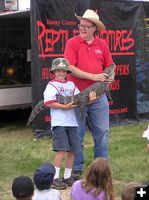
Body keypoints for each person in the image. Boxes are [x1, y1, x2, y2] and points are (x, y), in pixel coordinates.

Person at [64, 9, 115, 179]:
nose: (82, 29)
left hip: (98, 98)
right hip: (78, 96)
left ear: (95, 28)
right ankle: (77, 168)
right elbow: (70, 67)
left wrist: (109, 79)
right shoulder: (72, 43)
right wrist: (93, 77)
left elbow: (110, 66)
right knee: (76, 133)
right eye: (81, 26)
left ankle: (101, 169)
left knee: (102, 133)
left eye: (86, 26)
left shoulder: (102, 45)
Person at [43, 58, 82, 190]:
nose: (61, 73)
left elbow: (79, 98)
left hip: (72, 122)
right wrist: (64, 107)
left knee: (73, 150)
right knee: (61, 149)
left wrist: (87, 99)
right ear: (53, 72)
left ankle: (67, 176)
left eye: (63, 71)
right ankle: (55, 178)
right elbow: (48, 102)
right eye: (58, 71)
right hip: (59, 122)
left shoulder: (71, 85)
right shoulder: (51, 85)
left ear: (67, 72)